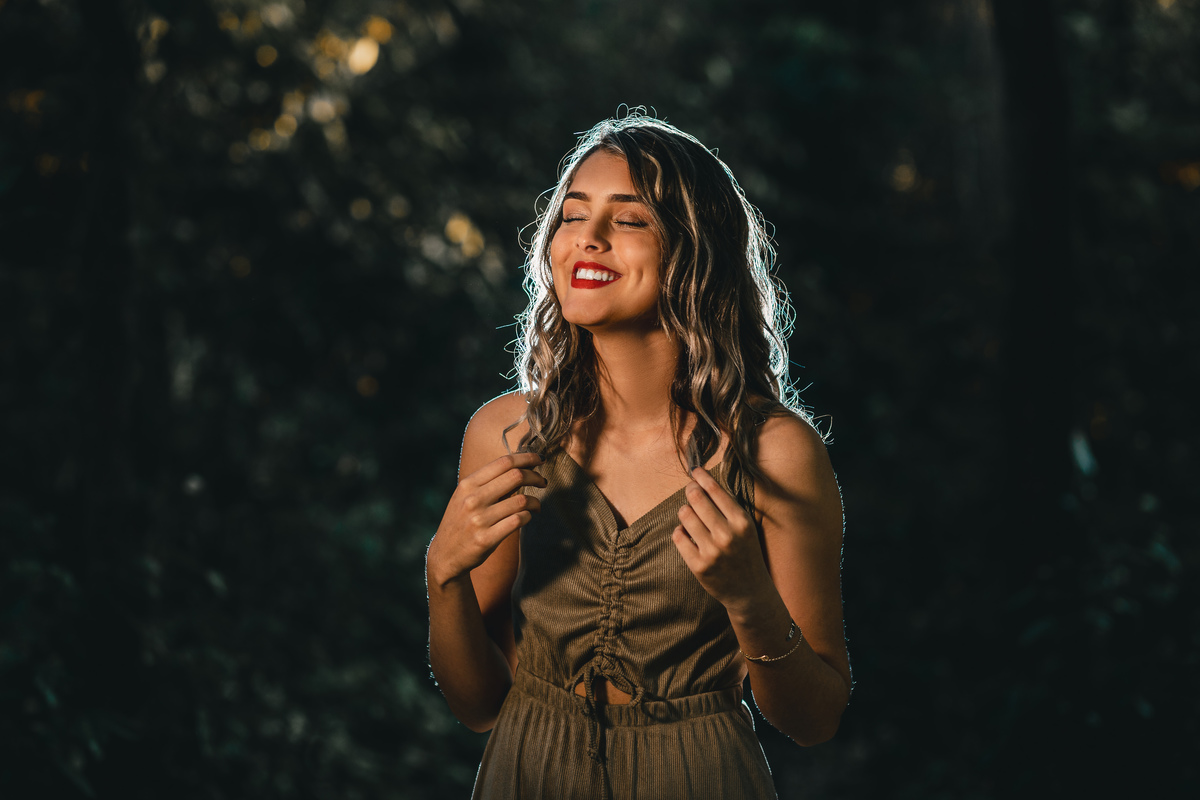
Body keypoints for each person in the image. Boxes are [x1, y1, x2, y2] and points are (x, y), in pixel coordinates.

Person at [426, 112, 851, 800]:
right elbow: (477, 705)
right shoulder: (502, 435)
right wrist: (442, 575)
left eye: (628, 220)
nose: (586, 238)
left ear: (694, 250)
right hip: (528, 774)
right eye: (571, 215)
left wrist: (750, 599)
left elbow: (816, 719)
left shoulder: (776, 452)